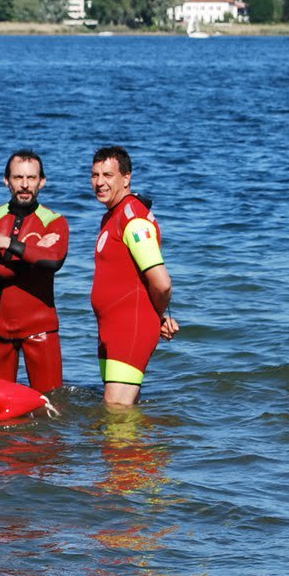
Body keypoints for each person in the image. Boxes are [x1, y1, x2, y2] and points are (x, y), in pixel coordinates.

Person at [0, 149, 68, 393]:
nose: (24, 185)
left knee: (51, 407)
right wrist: (33, 255)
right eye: (17, 178)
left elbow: (54, 261)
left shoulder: (55, 221)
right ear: (6, 180)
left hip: (41, 329)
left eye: (31, 178)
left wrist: (7, 245)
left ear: (42, 182)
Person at [90, 146, 178, 406]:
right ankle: (145, 445)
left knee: (116, 412)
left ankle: (150, 447)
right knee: (122, 413)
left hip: (129, 329)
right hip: (112, 328)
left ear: (126, 178)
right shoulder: (112, 216)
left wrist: (156, 315)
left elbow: (162, 284)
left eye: (108, 175)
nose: (99, 182)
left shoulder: (134, 219)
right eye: (95, 175)